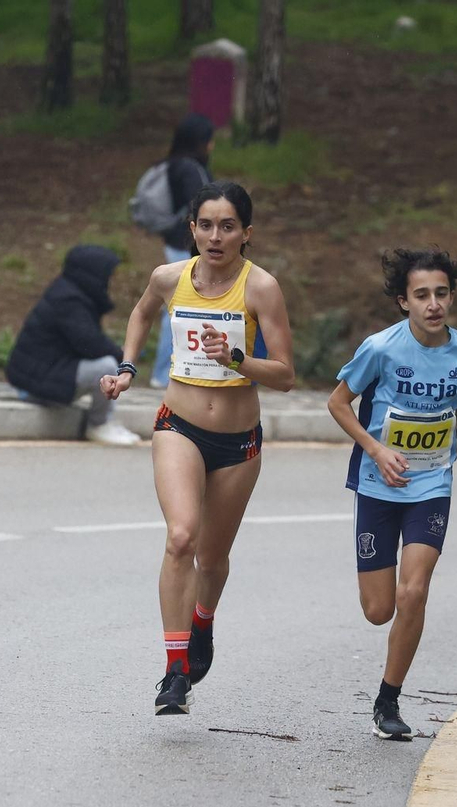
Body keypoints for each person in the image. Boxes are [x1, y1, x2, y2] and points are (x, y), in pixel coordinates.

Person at [102, 180, 294, 714]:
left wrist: (237, 360)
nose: (215, 236)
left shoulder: (261, 289)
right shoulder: (168, 278)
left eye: (227, 226)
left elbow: (285, 375)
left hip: (238, 442)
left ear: (245, 234)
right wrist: (127, 366)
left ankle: (202, 622)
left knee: (212, 556)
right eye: (205, 225)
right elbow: (141, 313)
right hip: (178, 426)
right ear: (191, 229)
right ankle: (174, 671)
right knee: (181, 538)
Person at [325, 248, 457, 740]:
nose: (433, 304)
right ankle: (387, 688)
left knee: (414, 591)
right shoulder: (381, 348)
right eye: (422, 295)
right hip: (379, 484)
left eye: (441, 293)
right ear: (403, 301)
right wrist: (376, 450)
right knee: (379, 610)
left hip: (432, 485)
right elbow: (337, 404)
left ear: (451, 297)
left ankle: (388, 700)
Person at [5, 244, 139, 446]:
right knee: (107, 367)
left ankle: (105, 421)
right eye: (106, 274)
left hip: (38, 375)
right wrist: (125, 358)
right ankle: (99, 424)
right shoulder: (69, 300)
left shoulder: (69, 292)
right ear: (92, 273)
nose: (109, 281)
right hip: (36, 382)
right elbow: (91, 344)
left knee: (109, 362)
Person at [148, 115, 213, 388]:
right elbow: (203, 204)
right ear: (200, 141)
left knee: (176, 307)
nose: (211, 147)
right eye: (209, 141)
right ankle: (164, 373)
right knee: (178, 308)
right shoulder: (190, 168)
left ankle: (170, 370)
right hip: (184, 246)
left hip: (174, 242)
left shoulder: (172, 164)